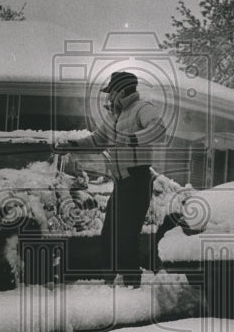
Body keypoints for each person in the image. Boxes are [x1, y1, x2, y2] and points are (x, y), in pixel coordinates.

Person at [59, 71, 166, 288]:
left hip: (137, 179)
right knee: (109, 235)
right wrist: (71, 145)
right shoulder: (115, 116)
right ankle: (110, 283)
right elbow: (98, 140)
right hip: (122, 182)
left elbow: (159, 130)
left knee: (127, 237)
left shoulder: (142, 108)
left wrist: (133, 139)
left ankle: (130, 284)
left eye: (111, 92)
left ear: (122, 91)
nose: (108, 97)